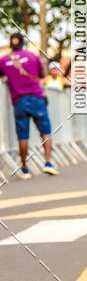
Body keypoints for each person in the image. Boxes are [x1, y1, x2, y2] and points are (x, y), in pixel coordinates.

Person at [0, 33, 58, 178]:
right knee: (45, 130)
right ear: (23, 43)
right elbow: (42, 75)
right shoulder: (33, 56)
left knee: (22, 135)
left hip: (19, 101)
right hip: (37, 98)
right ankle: (48, 162)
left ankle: (25, 168)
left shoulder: (4, 60)